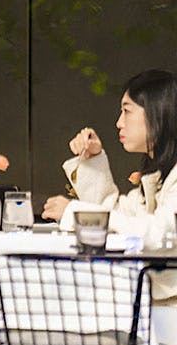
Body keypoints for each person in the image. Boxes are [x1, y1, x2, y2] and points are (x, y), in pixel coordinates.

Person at [41, 69, 177, 243]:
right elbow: (120, 216)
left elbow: (160, 232)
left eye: (127, 111)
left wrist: (75, 213)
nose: (119, 123)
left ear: (158, 112)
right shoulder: (157, 177)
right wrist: (93, 158)